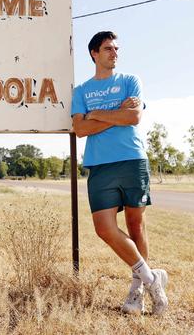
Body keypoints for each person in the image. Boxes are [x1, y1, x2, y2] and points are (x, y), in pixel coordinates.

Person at [71, 31, 168, 316]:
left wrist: (96, 113)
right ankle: (152, 279)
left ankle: (136, 291)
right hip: (100, 165)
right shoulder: (82, 91)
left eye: (116, 48)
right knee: (104, 228)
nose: (114, 53)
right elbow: (80, 129)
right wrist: (112, 113)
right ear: (94, 54)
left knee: (136, 225)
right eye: (107, 49)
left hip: (132, 159)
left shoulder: (129, 81)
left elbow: (133, 117)